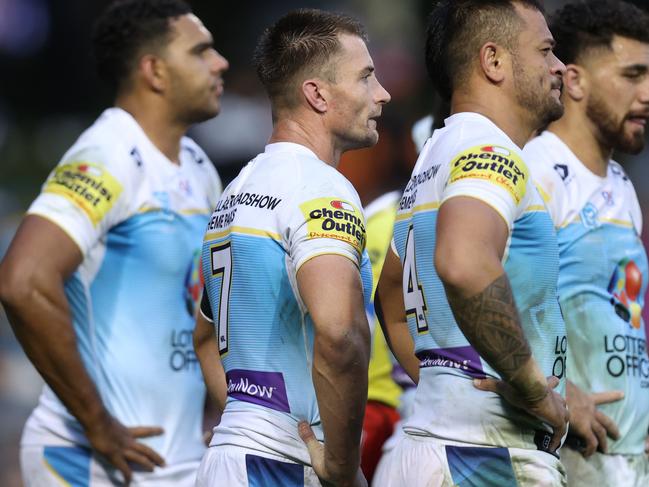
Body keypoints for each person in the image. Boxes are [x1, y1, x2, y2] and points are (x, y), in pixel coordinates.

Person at [0, 0, 228, 485]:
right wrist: (96, 423)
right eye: (200, 52)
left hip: (172, 461)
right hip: (92, 463)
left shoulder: (197, 165)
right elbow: (24, 281)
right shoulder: (109, 154)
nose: (220, 62)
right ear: (155, 71)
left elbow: (196, 309)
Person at [374, 0, 569, 485]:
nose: (559, 66)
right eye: (545, 50)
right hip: (483, 456)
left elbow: (390, 296)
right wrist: (532, 389)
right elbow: (463, 262)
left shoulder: (435, 155)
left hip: (432, 443)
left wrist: (445, 386)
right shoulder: (489, 150)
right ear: (493, 61)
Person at [192, 8, 390, 487]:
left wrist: (247, 422)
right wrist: (343, 468)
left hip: (231, 455)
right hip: (279, 464)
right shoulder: (320, 187)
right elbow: (340, 334)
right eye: (366, 77)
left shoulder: (236, 191)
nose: (382, 93)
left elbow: (203, 336)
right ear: (317, 94)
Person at [523, 1, 649, 484]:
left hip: (624, 459)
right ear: (573, 81)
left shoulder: (622, 186)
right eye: (632, 75)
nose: (645, 93)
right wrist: (555, 392)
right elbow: (483, 296)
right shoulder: (537, 171)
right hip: (562, 459)